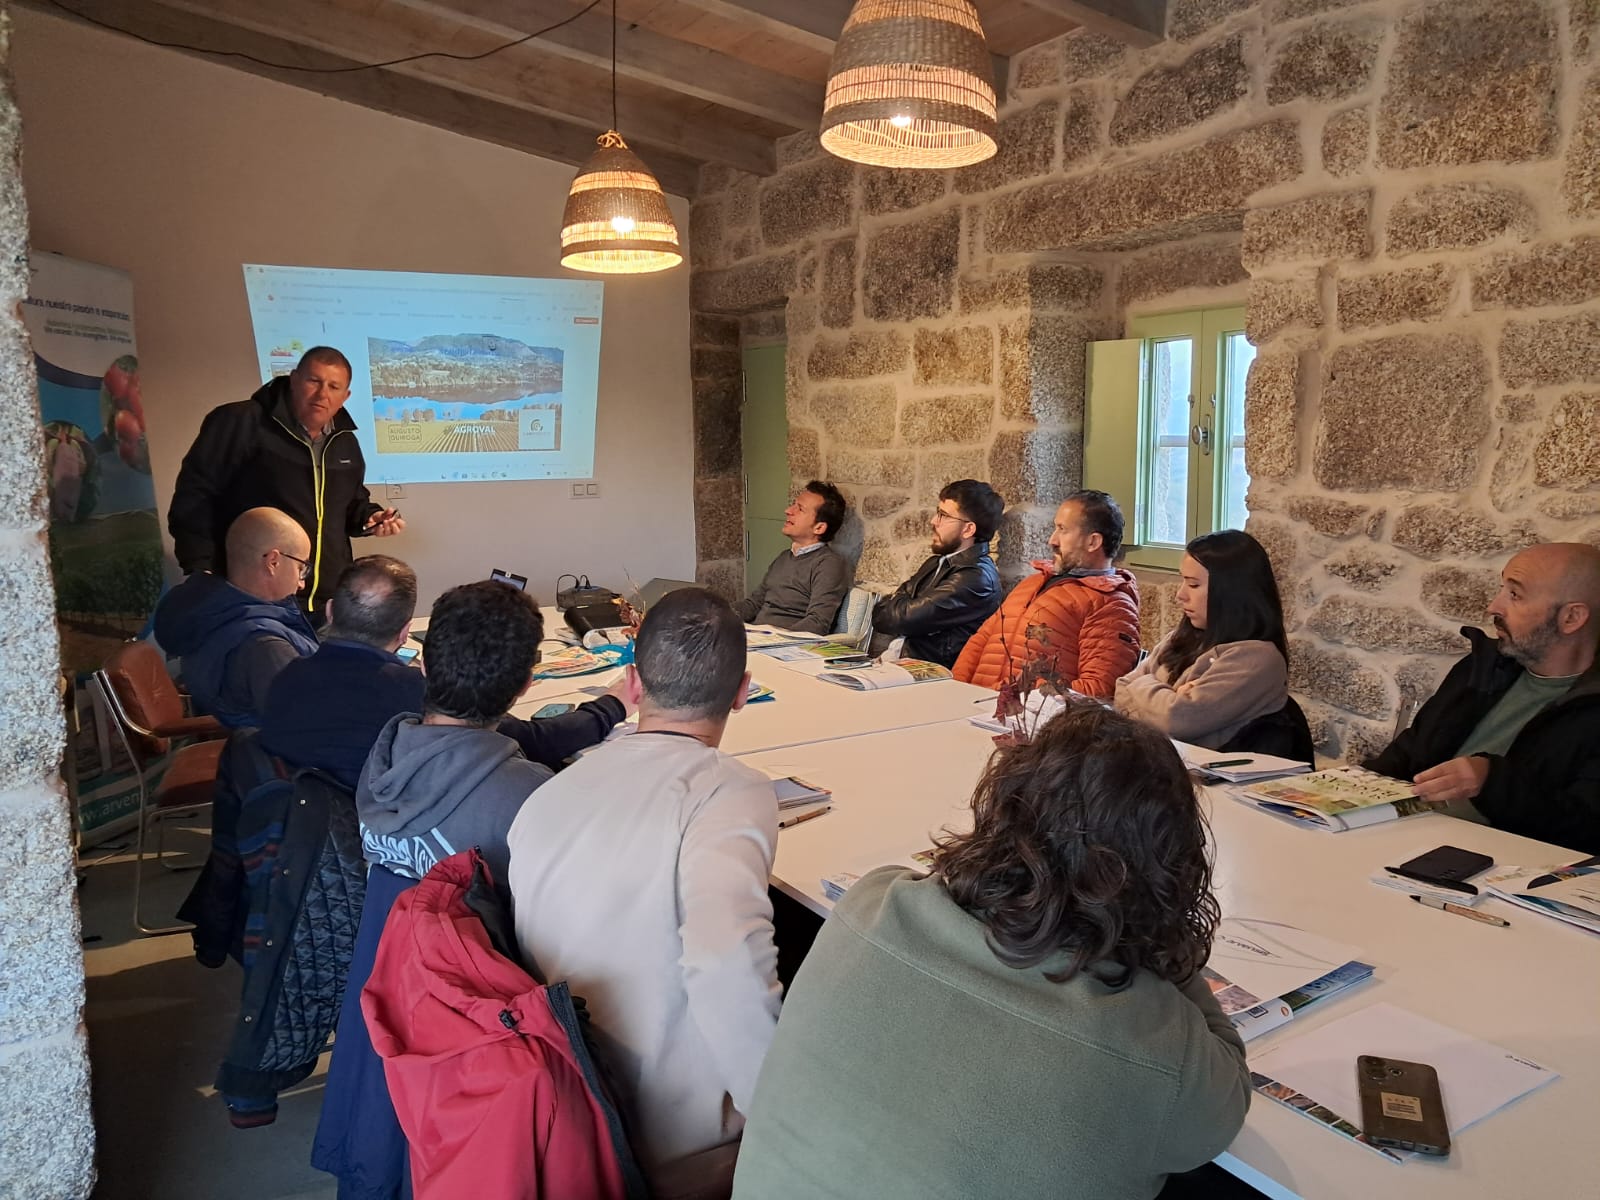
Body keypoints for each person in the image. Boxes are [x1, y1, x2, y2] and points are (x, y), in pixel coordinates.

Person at [731, 703, 1250, 1199]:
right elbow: (1225, 1097)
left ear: (1003, 808)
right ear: (1170, 868)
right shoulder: (1159, 1046)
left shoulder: (874, 903)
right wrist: (1162, 938)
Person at [507, 587, 782, 1180]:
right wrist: (788, 1119)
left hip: (555, 1106)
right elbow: (726, 961)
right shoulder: (731, 792)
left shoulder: (547, 790)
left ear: (631, 684)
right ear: (742, 692)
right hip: (671, 1137)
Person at [312, 579, 553, 1196]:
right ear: (526, 685)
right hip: (468, 1035)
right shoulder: (525, 796)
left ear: (418, 659)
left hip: (380, 997)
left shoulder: (386, 757)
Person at [260, 557, 631, 790]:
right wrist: (613, 704)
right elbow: (534, 742)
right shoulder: (411, 693)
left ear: (329, 612)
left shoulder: (283, 677)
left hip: (300, 857)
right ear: (406, 632)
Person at [1364, 542, 1600, 854]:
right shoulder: (1482, 668)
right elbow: (1406, 755)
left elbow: (1586, 830)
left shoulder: (1590, 708)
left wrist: (1491, 781)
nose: (1493, 606)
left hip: (1498, 873)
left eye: (1514, 595)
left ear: (1571, 618)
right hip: (1403, 841)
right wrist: (1345, 789)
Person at [167, 346, 405, 616]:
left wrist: (369, 518)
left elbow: (350, 503)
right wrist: (202, 569)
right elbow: (195, 495)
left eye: (333, 386)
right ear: (293, 379)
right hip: (255, 597)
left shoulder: (345, 441)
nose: (322, 394)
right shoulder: (241, 422)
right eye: (314, 381)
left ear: (345, 396)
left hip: (325, 601)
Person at [1116, 530, 1293, 750]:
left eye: (1193, 585)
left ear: (1230, 591)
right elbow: (1121, 688)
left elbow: (1178, 720)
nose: (1180, 594)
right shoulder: (1179, 637)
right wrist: (1167, 698)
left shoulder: (1258, 658)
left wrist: (1144, 684)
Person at [952, 489, 1141, 696]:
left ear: (1093, 542)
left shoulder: (1111, 604)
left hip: (1027, 720)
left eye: (1063, 529)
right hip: (977, 707)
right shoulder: (1033, 582)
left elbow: (1097, 689)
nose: (1052, 540)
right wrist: (956, 691)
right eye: (1055, 528)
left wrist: (1020, 700)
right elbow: (982, 639)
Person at [152, 506, 318, 728]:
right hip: (276, 758)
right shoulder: (265, 646)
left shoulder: (208, 612)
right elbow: (309, 727)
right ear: (273, 562)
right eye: (302, 567)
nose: (302, 582)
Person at [871, 479, 1004, 667]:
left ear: (968, 529)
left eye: (943, 515)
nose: (934, 521)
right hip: (897, 663)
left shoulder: (976, 578)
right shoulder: (937, 562)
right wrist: (899, 606)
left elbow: (903, 619)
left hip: (926, 676)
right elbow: (881, 615)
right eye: (937, 512)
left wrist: (898, 603)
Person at [734, 480, 853, 634]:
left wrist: (776, 640)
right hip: (757, 638)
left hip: (783, 646)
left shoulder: (828, 564)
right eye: (793, 505)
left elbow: (818, 622)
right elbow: (753, 604)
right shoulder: (784, 557)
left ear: (819, 527)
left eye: (800, 509)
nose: (788, 511)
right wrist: (715, 615)